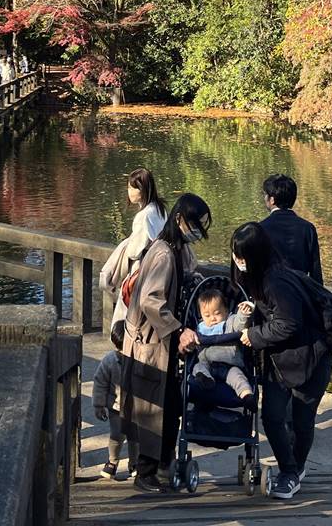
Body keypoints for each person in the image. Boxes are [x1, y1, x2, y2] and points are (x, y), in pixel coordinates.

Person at [225, 221, 332, 500]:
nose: (237, 261)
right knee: (272, 416)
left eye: (241, 255)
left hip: (310, 358)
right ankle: (290, 468)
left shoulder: (277, 281)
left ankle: (292, 472)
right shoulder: (262, 278)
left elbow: (289, 324)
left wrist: (254, 335)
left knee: (301, 420)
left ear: (255, 255)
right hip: (282, 360)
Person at [120, 193, 212, 494]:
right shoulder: (162, 253)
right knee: (153, 408)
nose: (197, 230)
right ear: (179, 220)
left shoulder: (174, 249)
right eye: (194, 224)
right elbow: (150, 300)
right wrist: (178, 329)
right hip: (150, 343)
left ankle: (162, 465)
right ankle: (145, 473)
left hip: (161, 344)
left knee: (170, 405)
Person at [101, 168, 167, 336]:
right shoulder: (160, 209)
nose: (129, 192)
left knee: (128, 314)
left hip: (142, 270)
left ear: (143, 189)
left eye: (133, 188)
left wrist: (127, 244)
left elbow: (134, 251)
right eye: (129, 187)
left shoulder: (144, 216)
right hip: (158, 269)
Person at [191, 289, 253, 402]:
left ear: (226, 311)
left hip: (230, 365)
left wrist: (243, 314)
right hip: (208, 365)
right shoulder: (201, 328)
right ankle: (206, 380)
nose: (213, 318)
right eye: (207, 315)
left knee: (238, 377)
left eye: (217, 313)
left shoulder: (230, 321)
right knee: (197, 368)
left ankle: (247, 395)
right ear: (201, 316)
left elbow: (240, 325)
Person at [259, 174, 323, 282]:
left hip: (271, 292)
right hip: (300, 291)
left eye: (265, 194)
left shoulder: (260, 229)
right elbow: (315, 271)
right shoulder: (308, 228)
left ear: (272, 200)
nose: (264, 198)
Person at [92, 348, 136, 480]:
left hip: (136, 405)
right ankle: (112, 462)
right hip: (115, 406)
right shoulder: (109, 360)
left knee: (135, 435)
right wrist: (98, 405)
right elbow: (100, 382)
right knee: (116, 434)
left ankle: (135, 463)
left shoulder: (138, 357)